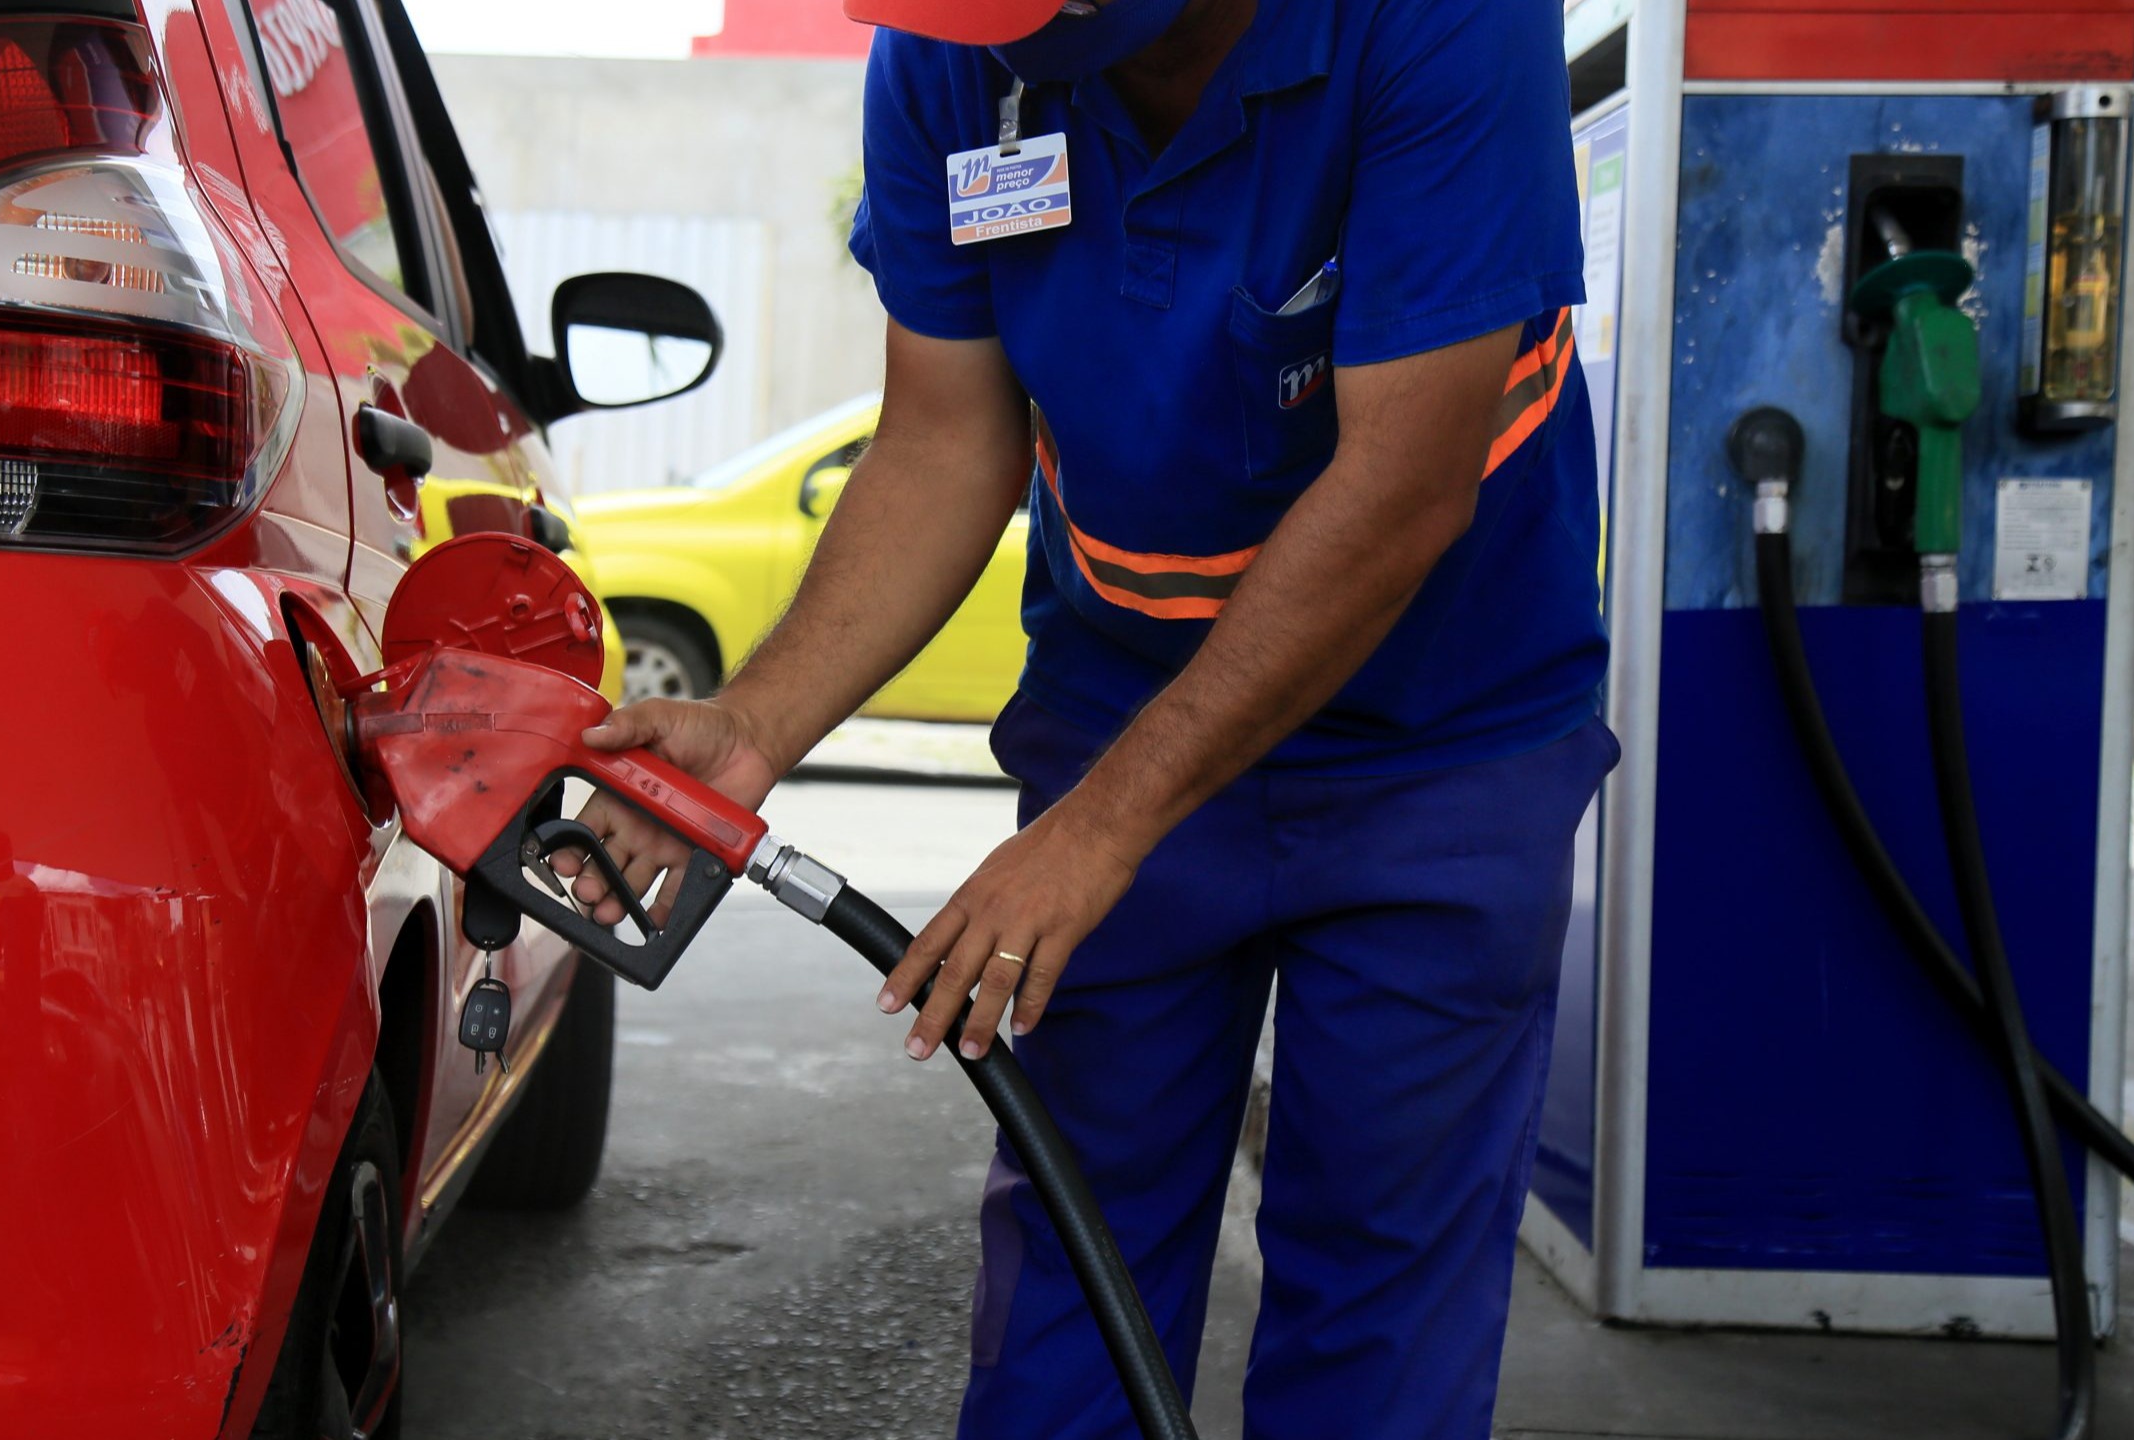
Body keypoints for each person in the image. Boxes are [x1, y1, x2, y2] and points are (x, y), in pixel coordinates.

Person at [560, 0, 1615, 1433]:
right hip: (1119, 699)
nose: (981, 35)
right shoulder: (945, 53)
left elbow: (1401, 492)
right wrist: (752, 731)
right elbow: (946, 435)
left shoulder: (1439, 23)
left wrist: (1103, 831)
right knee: (1080, 1240)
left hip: (1442, 734)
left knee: (1384, 1272)